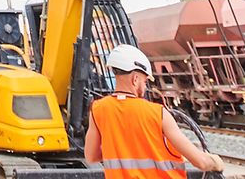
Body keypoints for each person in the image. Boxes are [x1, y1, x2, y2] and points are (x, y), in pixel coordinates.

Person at [83, 44, 224, 177]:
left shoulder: (98, 110)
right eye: (145, 82)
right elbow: (201, 162)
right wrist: (216, 162)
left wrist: (119, 150)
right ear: (135, 79)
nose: (145, 88)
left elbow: (91, 156)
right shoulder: (158, 113)